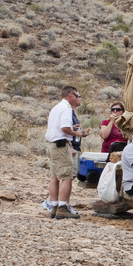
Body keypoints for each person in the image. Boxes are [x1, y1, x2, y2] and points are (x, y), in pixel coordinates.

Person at [43, 86, 89, 219]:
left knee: (55, 176)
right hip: (61, 145)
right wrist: (77, 133)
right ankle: (62, 207)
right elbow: (64, 128)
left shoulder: (57, 107)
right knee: (67, 176)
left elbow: (60, 126)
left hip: (53, 145)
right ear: (71, 95)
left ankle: (55, 205)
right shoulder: (66, 109)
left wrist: (71, 129)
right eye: (78, 96)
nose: (78, 98)